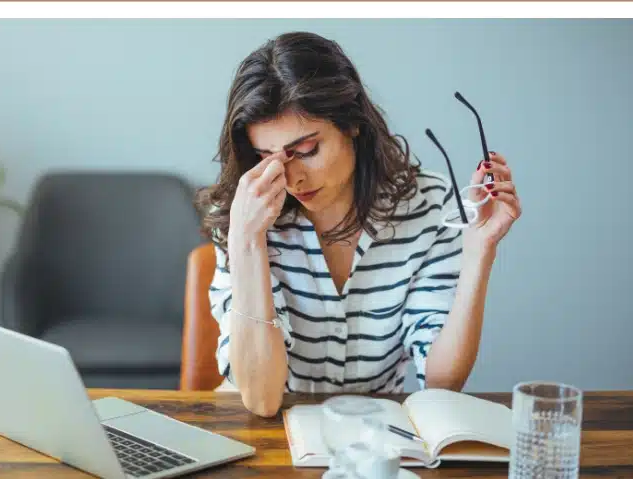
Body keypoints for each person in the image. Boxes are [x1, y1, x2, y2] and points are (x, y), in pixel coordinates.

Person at [194, 32, 521, 417]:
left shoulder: (428, 205)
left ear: (352, 123)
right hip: (267, 436)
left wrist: (480, 251)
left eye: (306, 151)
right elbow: (262, 400)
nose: (291, 178)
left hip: (377, 437)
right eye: (266, 157)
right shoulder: (243, 215)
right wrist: (247, 242)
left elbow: (442, 381)